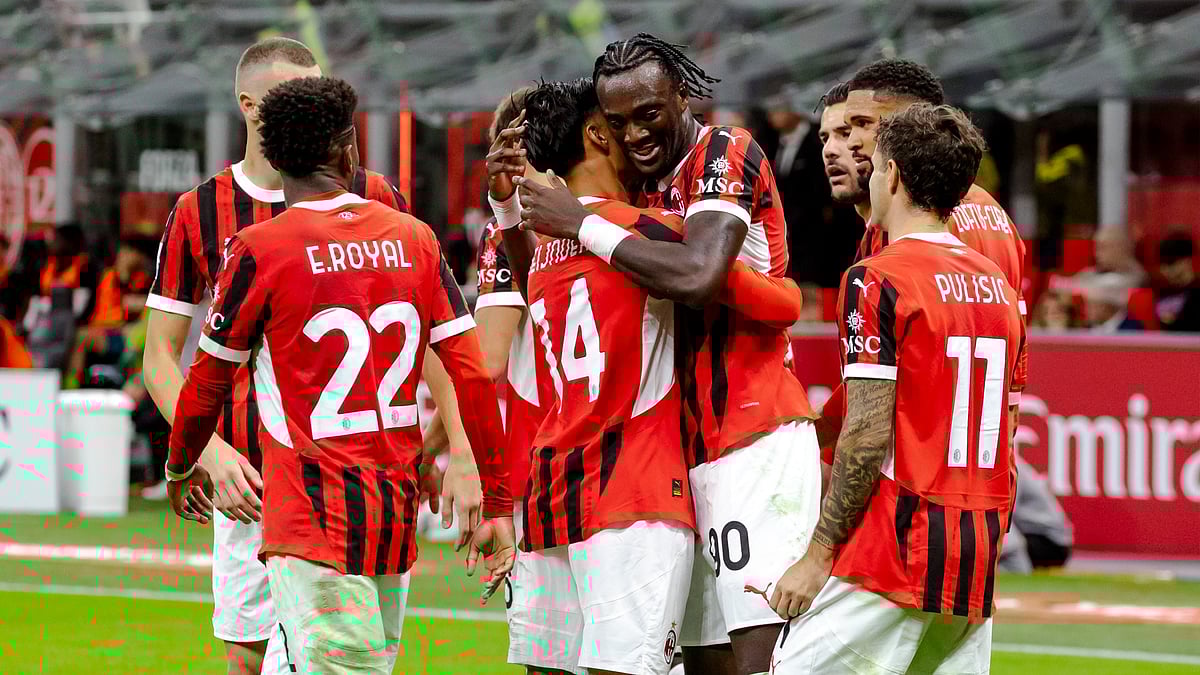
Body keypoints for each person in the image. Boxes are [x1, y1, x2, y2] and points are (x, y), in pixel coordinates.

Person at [140, 37, 476, 675]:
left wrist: (446, 445)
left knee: (342, 656)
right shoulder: (198, 210)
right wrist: (207, 452)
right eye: (292, 95)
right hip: (252, 476)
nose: (311, 106)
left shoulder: (379, 197)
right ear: (248, 106)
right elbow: (160, 355)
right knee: (253, 654)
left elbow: (438, 340)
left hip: (359, 470)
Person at [512, 34, 819, 675]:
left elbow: (703, 275)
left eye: (648, 114)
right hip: (683, 448)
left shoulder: (721, 151)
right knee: (702, 657)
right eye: (617, 122)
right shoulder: (643, 196)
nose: (634, 134)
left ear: (684, 97)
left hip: (751, 434)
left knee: (761, 650)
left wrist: (580, 224)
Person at [768, 103, 1024, 674]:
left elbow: (865, 433)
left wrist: (817, 557)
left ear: (893, 175)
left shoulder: (878, 277)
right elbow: (1007, 429)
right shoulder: (999, 286)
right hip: (974, 553)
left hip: (896, 550)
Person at [817, 59, 1029, 486]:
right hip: (976, 475)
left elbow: (885, 394)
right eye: (833, 134)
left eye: (859, 126)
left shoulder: (914, 232)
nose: (844, 145)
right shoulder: (992, 215)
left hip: (917, 480)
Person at [421, 86, 547, 548]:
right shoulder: (620, 213)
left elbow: (485, 363)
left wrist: (429, 451)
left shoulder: (510, 228)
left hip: (545, 463)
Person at [1156, 233, 1200, 332]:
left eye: (1171, 262)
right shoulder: (1161, 292)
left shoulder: (1197, 293)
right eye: (1162, 264)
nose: (1166, 270)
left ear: (1188, 260)